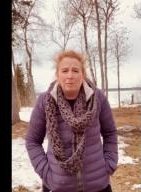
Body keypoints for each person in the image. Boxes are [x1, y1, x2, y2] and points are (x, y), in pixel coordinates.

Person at [26, 50, 118, 192]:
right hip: (58, 187)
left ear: (83, 75)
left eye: (75, 70)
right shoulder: (44, 101)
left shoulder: (97, 98)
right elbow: (32, 140)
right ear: (57, 75)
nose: (70, 75)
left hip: (97, 185)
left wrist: (109, 164)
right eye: (64, 71)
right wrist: (46, 173)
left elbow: (110, 133)